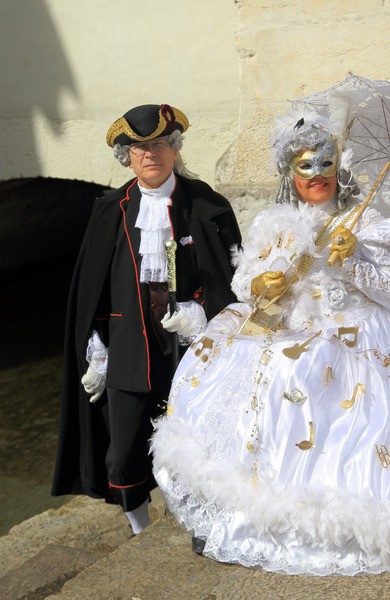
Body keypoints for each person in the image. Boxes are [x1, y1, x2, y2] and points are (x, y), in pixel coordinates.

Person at [150, 109, 390, 575]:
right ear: (288, 173)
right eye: (305, 166)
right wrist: (265, 284)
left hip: (359, 330)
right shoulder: (274, 223)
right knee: (231, 356)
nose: (317, 174)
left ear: (339, 165)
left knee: (301, 366)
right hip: (287, 322)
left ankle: (322, 513)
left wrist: (354, 258)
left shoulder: (372, 221)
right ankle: (242, 505)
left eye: (325, 162)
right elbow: (245, 284)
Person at [51, 104, 242, 536]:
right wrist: (96, 346)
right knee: (122, 454)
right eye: (139, 148)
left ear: (174, 149)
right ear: (127, 157)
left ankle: (202, 521)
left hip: (197, 351)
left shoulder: (209, 207)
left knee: (198, 444)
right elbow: (91, 286)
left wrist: (201, 313)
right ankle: (140, 529)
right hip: (129, 349)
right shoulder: (109, 209)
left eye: (158, 144)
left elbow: (235, 281)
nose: (149, 154)